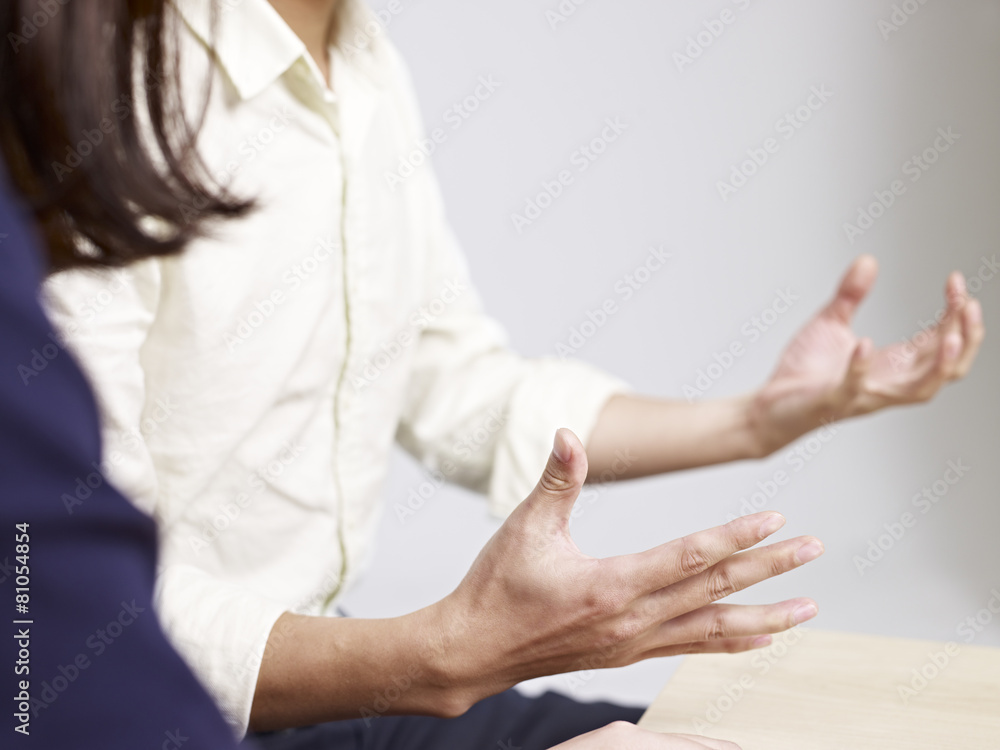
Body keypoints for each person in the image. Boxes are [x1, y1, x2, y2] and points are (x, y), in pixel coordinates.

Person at [8, 0, 983, 747]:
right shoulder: (90, 86)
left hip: (336, 679)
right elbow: (58, 607)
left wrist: (760, 421)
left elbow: (456, 382)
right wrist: (438, 652)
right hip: (150, 708)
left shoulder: (364, 65)